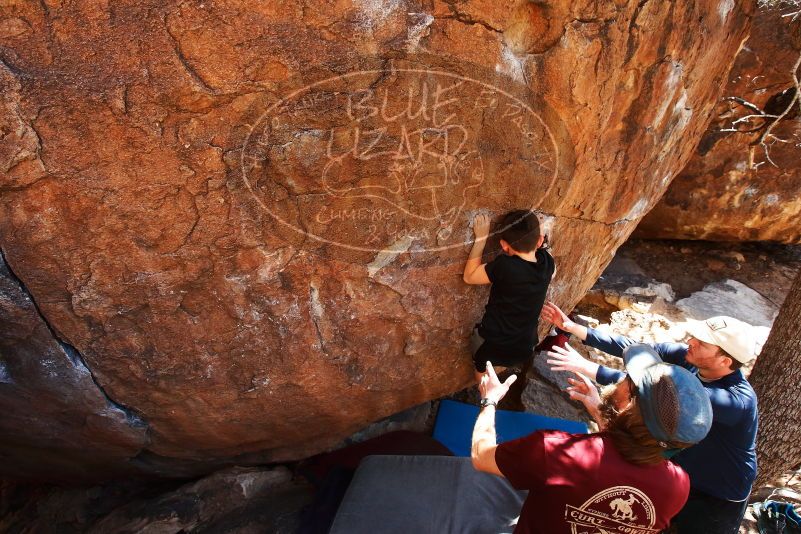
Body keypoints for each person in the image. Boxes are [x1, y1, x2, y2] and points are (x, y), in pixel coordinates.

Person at [541, 301, 762, 534]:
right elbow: (637, 348)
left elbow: (654, 392)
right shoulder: (690, 358)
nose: (690, 342)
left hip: (717, 494)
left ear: (725, 361)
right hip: (680, 471)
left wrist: (587, 367)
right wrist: (574, 328)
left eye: (702, 343)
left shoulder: (735, 401)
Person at [471, 346, 713, 534]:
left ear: (628, 403)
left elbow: (482, 457)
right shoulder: (677, 487)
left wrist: (489, 400)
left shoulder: (559, 452)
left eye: (627, 377)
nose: (620, 379)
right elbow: (629, 455)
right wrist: (602, 412)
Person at [463, 210, 554, 380]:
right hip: (524, 349)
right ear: (540, 241)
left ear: (504, 245)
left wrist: (481, 239)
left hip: (491, 346)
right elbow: (539, 245)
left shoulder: (505, 266)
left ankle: (487, 397)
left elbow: (469, 276)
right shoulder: (547, 263)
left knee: (481, 362)